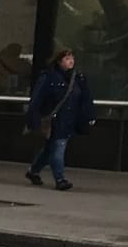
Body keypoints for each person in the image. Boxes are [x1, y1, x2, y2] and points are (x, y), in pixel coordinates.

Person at [24, 49, 95, 191]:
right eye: (67, 58)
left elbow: (85, 98)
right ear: (59, 61)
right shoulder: (49, 77)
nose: (71, 61)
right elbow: (37, 99)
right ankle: (60, 179)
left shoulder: (78, 78)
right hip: (54, 119)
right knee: (59, 146)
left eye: (72, 58)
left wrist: (89, 115)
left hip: (69, 119)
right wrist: (34, 117)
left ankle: (33, 171)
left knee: (50, 149)